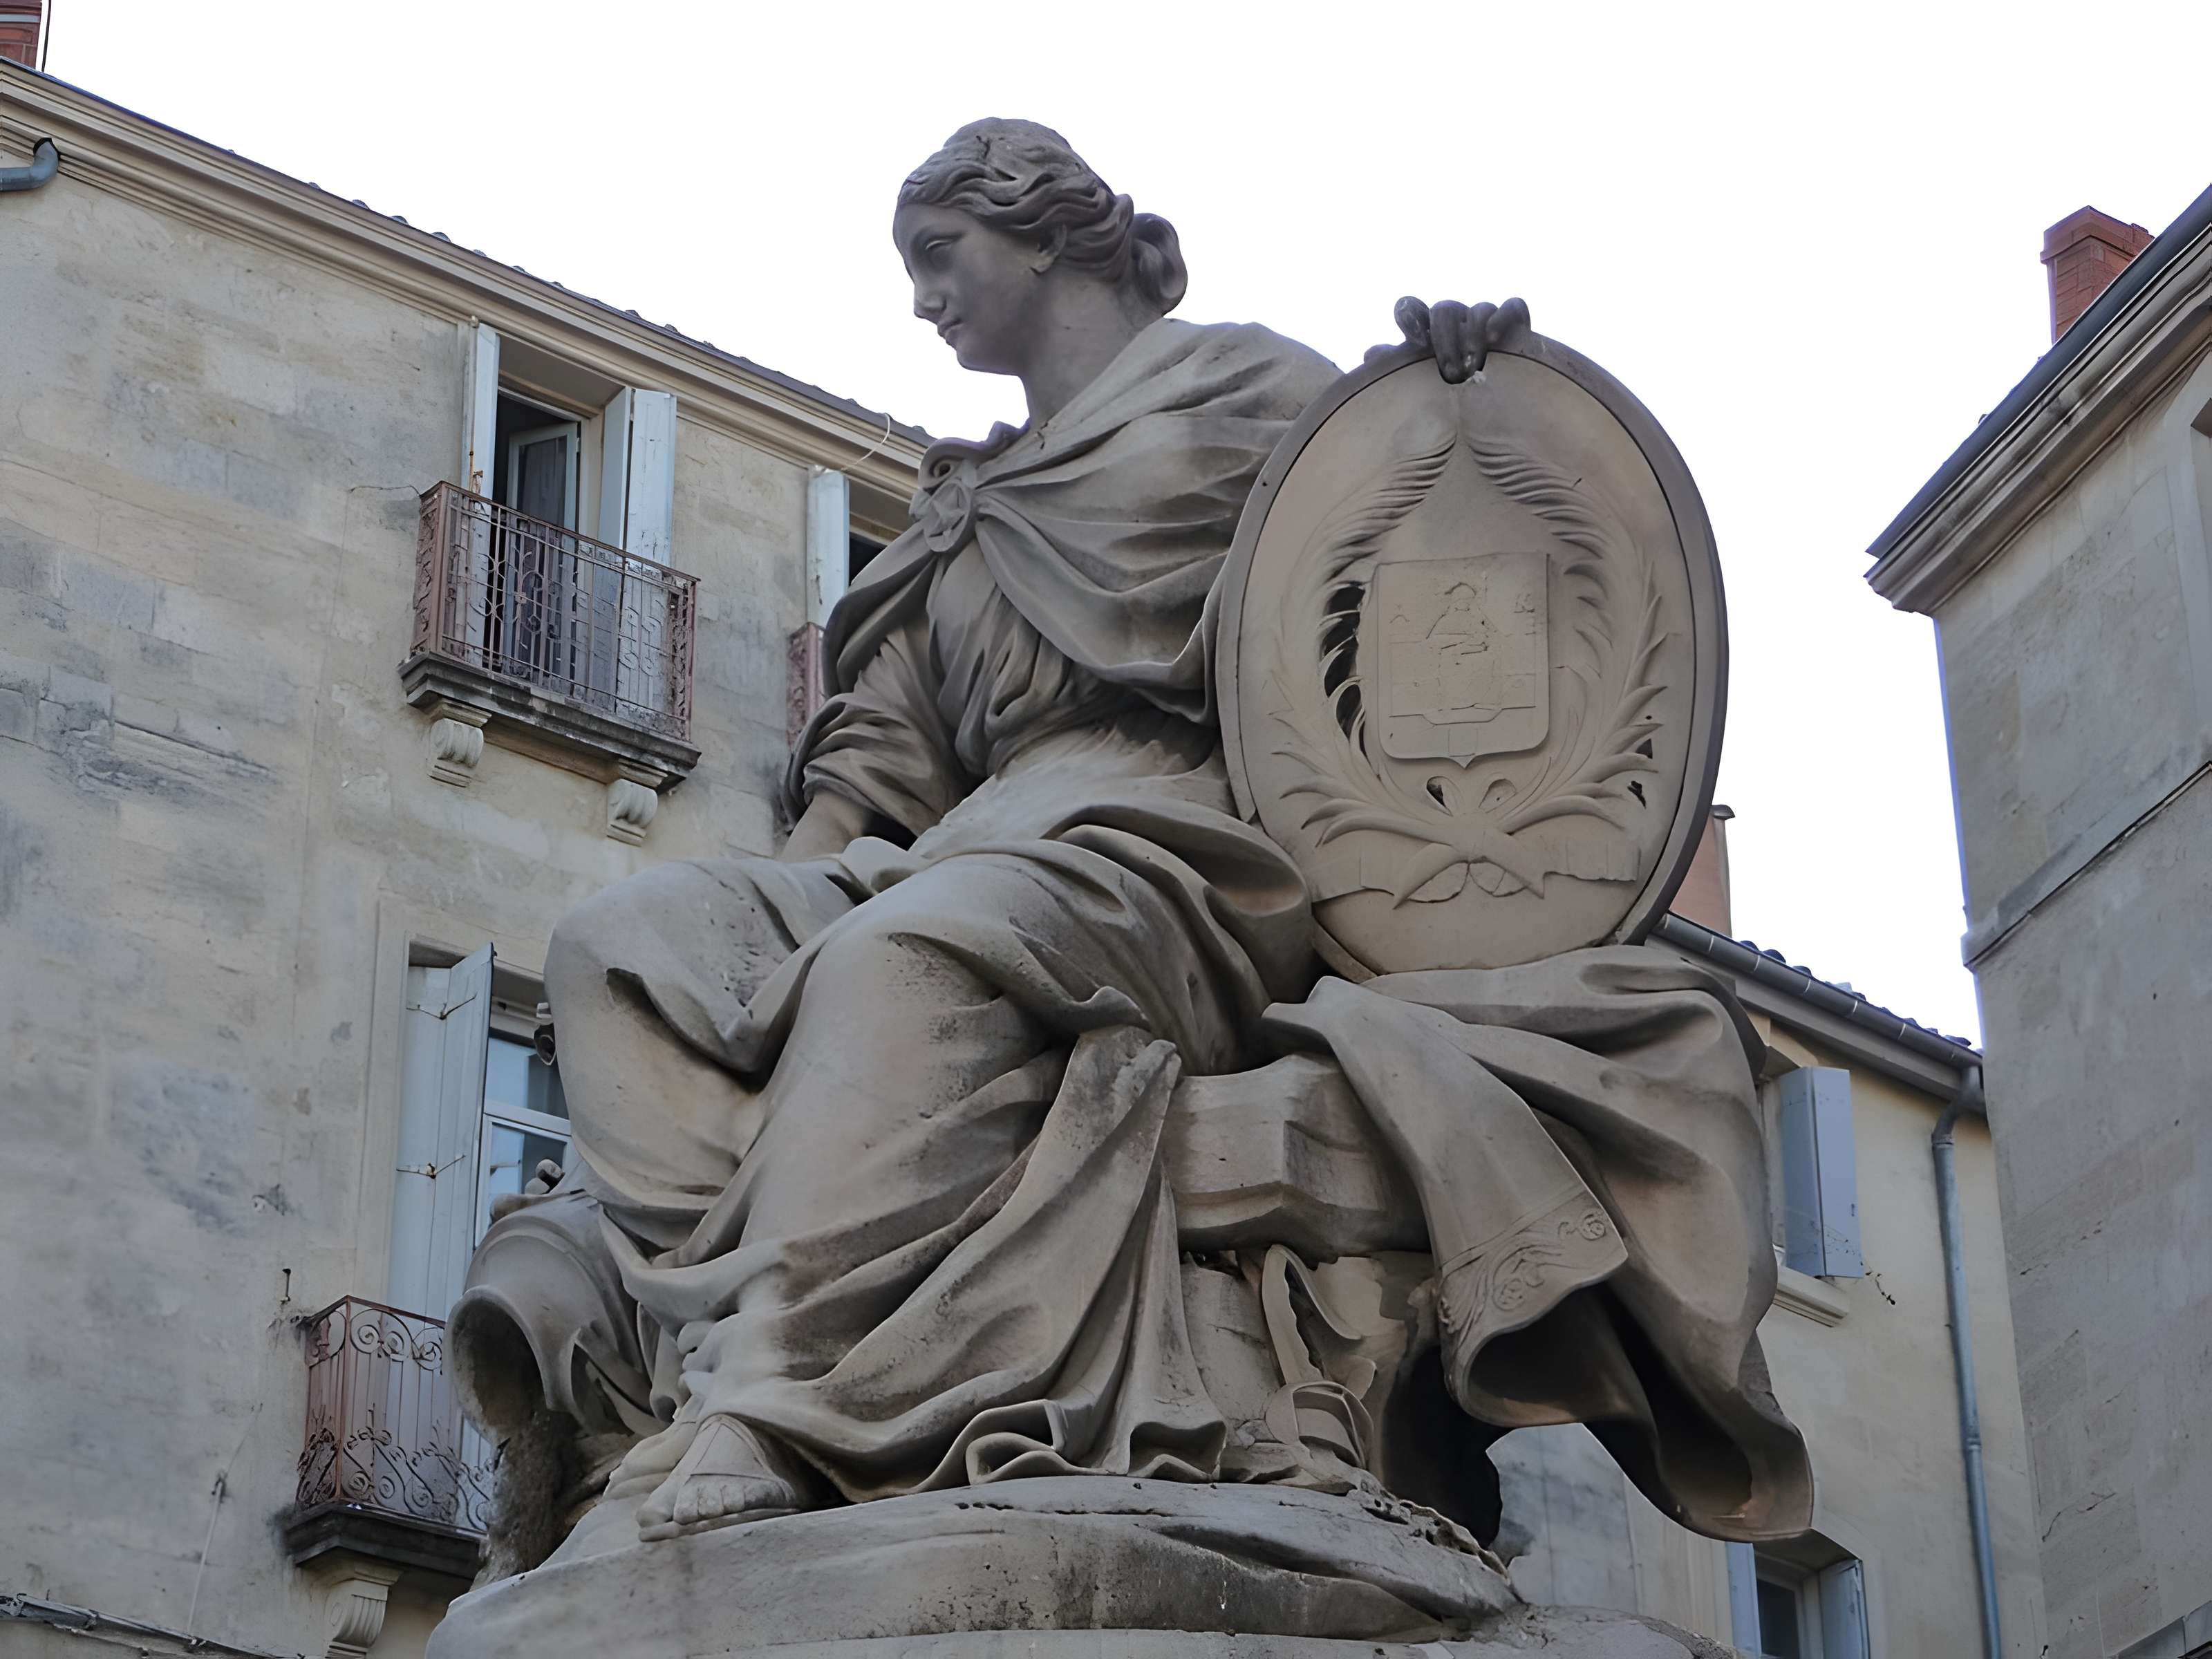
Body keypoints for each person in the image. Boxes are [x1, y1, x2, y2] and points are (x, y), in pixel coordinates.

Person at [480, 119, 1808, 1555]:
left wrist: (1465, 395)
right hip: (962, 847)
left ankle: (777, 1389)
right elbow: (879, 763)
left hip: (1181, 847)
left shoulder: (1247, 394)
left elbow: (1412, 531)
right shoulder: (965, 506)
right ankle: (712, 1337)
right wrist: (765, 913)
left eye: (939, 257)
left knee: (912, 953)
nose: (921, 298)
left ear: (1043, 232)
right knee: (622, 943)